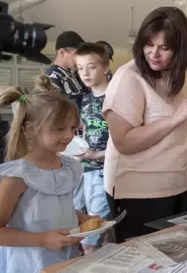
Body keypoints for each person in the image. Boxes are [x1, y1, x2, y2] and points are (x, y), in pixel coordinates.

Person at [102, 7, 187, 242]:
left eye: (165, 48)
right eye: (149, 44)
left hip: (183, 184)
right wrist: (172, 119)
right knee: (145, 261)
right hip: (139, 192)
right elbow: (124, 142)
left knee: (181, 254)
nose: (153, 54)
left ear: (180, 49)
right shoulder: (128, 77)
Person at [0, 75, 97, 272]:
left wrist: (81, 219)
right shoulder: (17, 177)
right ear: (31, 129)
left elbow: (52, 207)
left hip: (65, 259)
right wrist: (43, 239)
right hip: (29, 264)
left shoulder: (68, 168)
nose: (69, 136)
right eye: (59, 128)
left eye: (72, 128)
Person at [74, 43, 112, 254]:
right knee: (87, 225)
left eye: (91, 67)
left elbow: (123, 142)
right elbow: (86, 130)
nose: (85, 73)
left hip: (105, 171)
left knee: (91, 236)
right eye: (80, 68)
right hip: (86, 169)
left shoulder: (115, 97)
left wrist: (96, 154)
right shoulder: (87, 99)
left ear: (105, 67)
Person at [46, 31, 86, 110]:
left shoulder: (71, 74)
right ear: (62, 52)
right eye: (76, 54)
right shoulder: (52, 78)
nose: (80, 59)